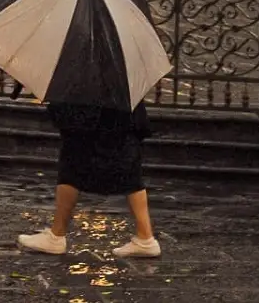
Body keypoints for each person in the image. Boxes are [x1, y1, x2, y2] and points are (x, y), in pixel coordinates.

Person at [17, 95, 161, 258]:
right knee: (129, 171)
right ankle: (145, 237)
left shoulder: (87, 73)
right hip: (122, 113)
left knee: (71, 166)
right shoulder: (124, 76)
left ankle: (56, 236)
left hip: (91, 113)